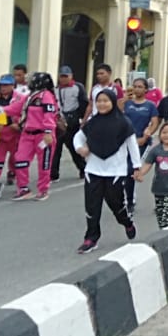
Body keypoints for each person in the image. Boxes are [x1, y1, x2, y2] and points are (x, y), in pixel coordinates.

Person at [73, 89, 140, 253]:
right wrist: (79, 148)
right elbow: (78, 137)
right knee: (92, 206)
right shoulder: (92, 122)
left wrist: (137, 167)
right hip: (93, 169)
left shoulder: (124, 123)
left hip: (115, 171)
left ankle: (126, 222)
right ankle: (91, 237)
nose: (102, 104)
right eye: (99, 101)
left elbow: (132, 145)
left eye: (106, 101)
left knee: (116, 204)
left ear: (113, 102)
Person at [11, 72, 60, 201]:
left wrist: (48, 132)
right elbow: (15, 108)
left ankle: (43, 189)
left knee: (44, 164)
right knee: (20, 159)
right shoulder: (29, 97)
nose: (28, 82)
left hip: (42, 135)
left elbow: (49, 115)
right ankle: (23, 188)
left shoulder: (46, 96)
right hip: (27, 134)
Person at [123, 77, 159, 216]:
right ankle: (128, 198)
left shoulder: (150, 106)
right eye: (135, 86)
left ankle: (130, 201)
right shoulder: (127, 104)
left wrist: (146, 135)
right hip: (125, 141)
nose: (137, 89)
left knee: (132, 169)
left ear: (145, 89)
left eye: (140, 87)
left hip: (142, 142)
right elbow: (118, 115)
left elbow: (155, 122)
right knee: (124, 171)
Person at [52, 66, 88, 182]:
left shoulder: (77, 87)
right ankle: (53, 173)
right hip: (59, 120)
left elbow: (83, 103)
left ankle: (83, 168)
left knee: (73, 147)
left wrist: (82, 119)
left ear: (71, 76)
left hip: (72, 120)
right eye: (61, 76)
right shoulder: (55, 89)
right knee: (56, 148)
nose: (63, 79)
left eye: (66, 76)